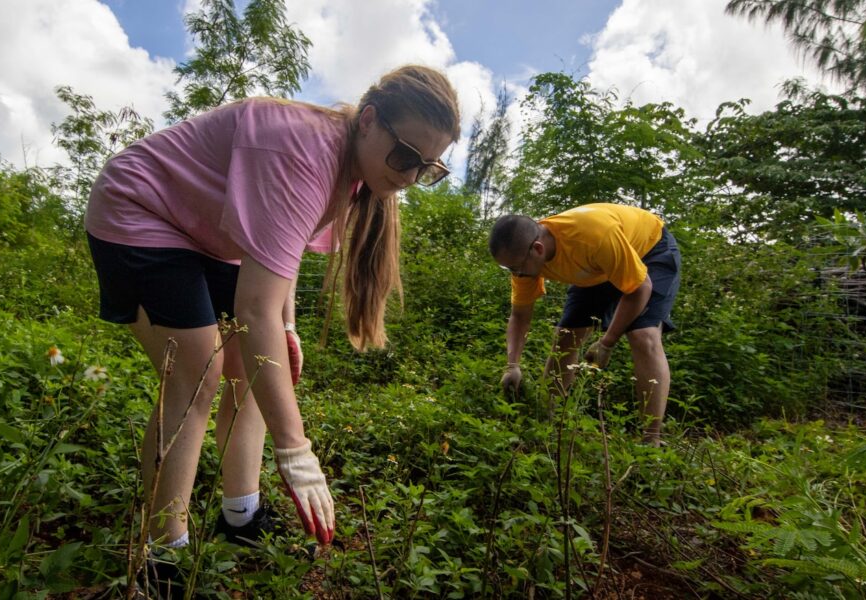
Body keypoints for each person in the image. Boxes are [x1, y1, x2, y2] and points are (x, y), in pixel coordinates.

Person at [84, 65, 460, 591]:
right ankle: (161, 555)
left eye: (427, 168)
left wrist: (288, 327)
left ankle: (240, 515)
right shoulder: (302, 150)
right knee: (197, 373)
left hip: (210, 232)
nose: (410, 177)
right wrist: (296, 450)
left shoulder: (351, 169)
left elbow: (276, 264)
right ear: (370, 121)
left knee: (256, 364)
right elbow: (253, 309)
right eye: (404, 157)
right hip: (141, 210)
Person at [489, 204, 680, 445]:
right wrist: (512, 364)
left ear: (537, 249)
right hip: (598, 267)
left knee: (643, 335)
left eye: (515, 267)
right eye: (508, 268)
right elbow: (520, 316)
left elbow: (639, 289)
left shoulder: (593, 237)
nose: (514, 274)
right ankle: (547, 419)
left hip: (649, 249)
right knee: (566, 336)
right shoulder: (525, 261)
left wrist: (607, 343)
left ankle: (651, 439)